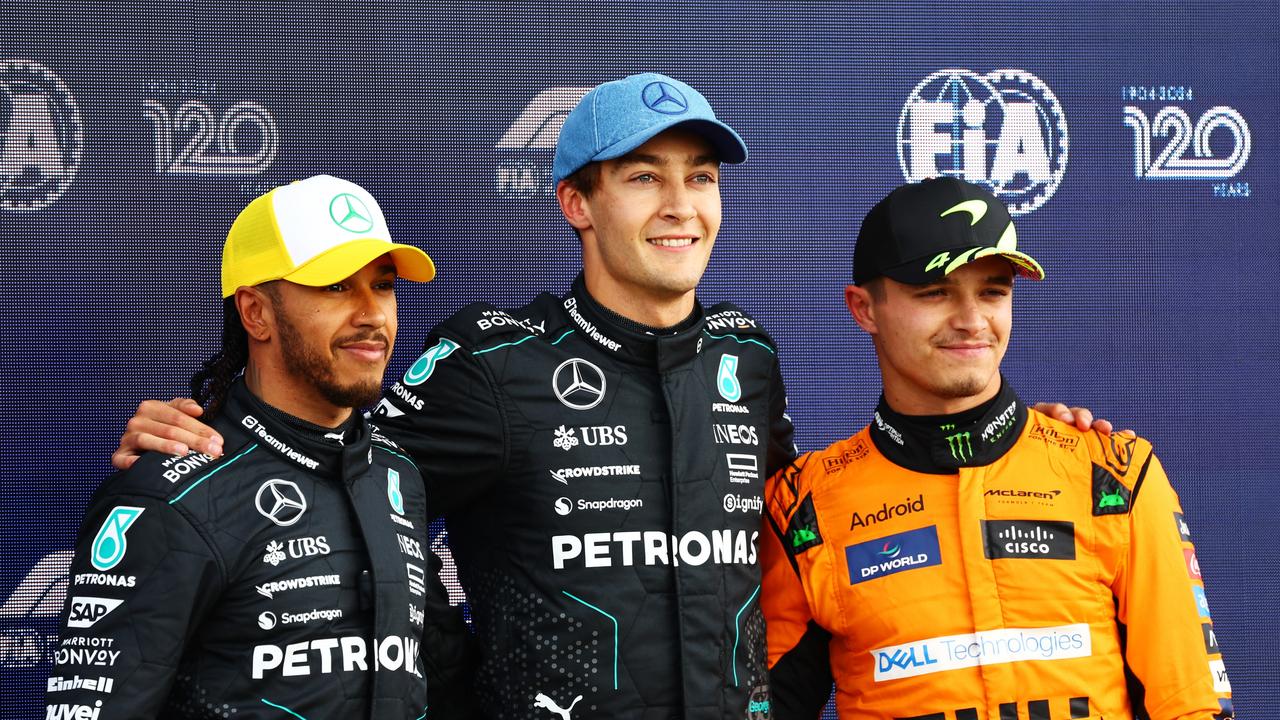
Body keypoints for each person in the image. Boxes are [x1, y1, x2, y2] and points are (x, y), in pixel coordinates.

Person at [108, 76, 1108, 719]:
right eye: (643, 178)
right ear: (577, 205)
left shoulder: (743, 355)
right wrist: (208, 432)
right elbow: (326, 453)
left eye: (700, 178)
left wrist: (1020, 446)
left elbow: (807, 530)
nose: (680, 207)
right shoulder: (491, 360)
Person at [760, 177, 1233, 719]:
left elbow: (1189, 705)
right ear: (864, 309)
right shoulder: (804, 505)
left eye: (993, 291)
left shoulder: (1114, 474)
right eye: (935, 291)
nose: (972, 320)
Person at [44, 175, 469, 719]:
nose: (372, 314)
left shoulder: (395, 472)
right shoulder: (170, 496)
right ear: (255, 313)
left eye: (383, 285)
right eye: (337, 285)